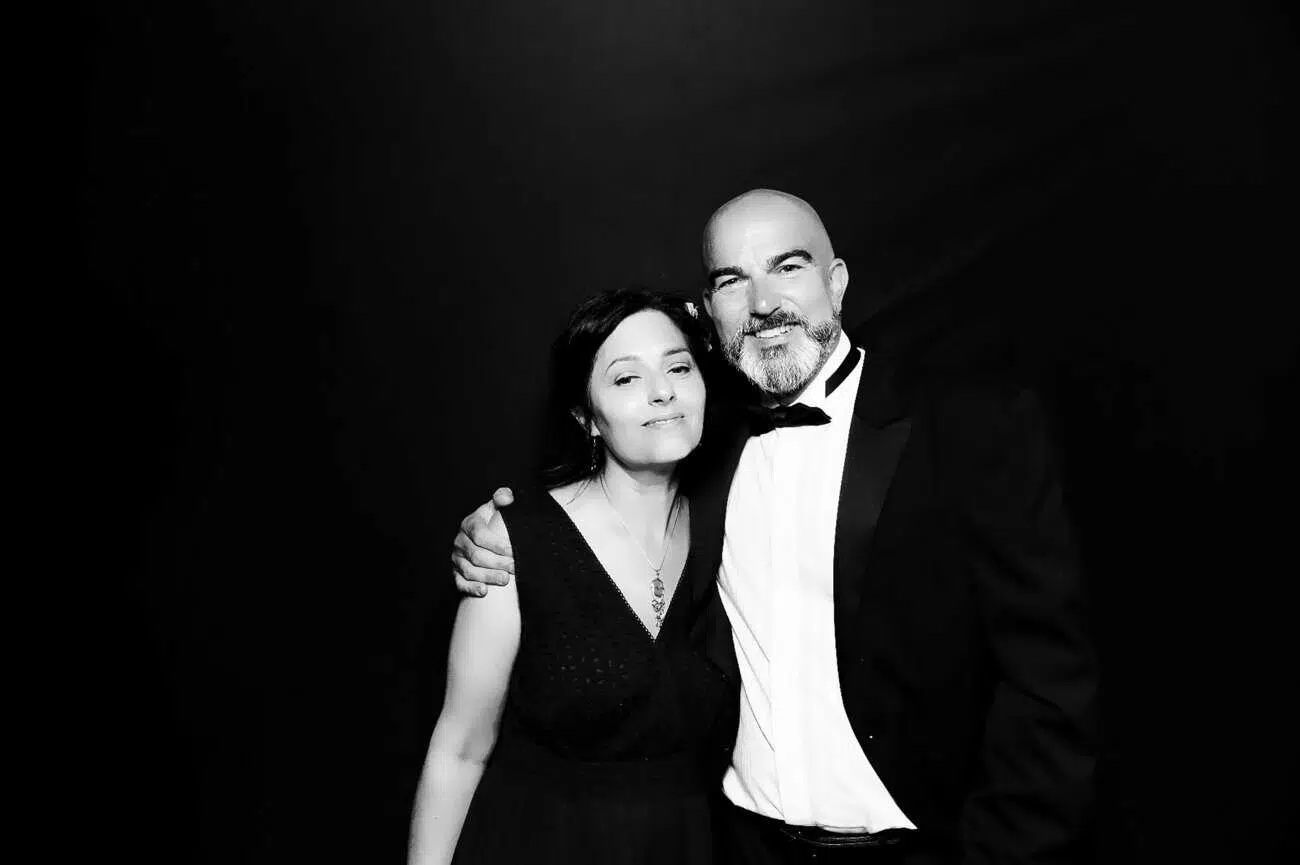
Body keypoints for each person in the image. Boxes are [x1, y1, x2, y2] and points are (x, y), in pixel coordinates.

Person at [452, 189, 1099, 864]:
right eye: (734, 281)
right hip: (736, 845)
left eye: (787, 267)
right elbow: (598, 520)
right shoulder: (697, 441)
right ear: (708, 312)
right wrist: (500, 533)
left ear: (836, 282)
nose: (762, 304)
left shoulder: (970, 428)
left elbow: (1049, 686)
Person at [408, 289, 737, 865]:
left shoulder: (733, 519)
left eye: (679, 368)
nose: (663, 391)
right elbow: (459, 751)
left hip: (687, 844)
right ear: (587, 416)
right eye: (627, 379)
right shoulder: (514, 542)